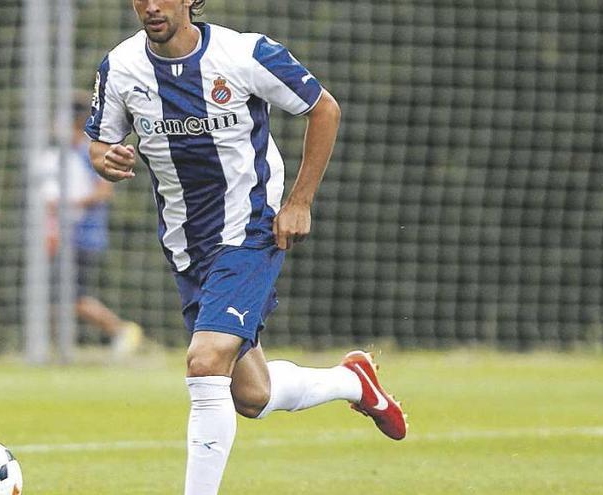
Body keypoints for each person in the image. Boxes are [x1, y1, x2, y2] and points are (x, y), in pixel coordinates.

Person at [85, 1, 407, 493]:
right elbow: (98, 144)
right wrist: (109, 159)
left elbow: (323, 107)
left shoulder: (245, 54)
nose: (151, 5)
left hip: (250, 229)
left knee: (205, 359)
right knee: (252, 396)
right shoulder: (121, 66)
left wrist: (299, 201)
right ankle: (353, 382)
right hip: (186, 246)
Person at [41, 93, 143, 357]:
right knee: (61, 296)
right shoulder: (65, 153)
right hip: (64, 234)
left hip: (83, 235)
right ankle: (59, 347)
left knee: (71, 296)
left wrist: (68, 203)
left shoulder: (89, 151)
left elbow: (104, 191)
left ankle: (121, 331)